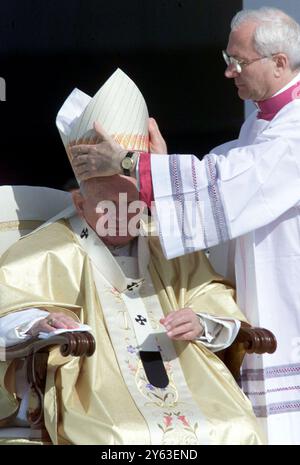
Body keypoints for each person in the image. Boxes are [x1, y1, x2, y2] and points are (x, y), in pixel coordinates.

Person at [69, 7, 300, 445]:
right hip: (261, 282)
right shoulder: (259, 119)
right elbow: (222, 169)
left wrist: (130, 163)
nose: (230, 72)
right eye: (227, 59)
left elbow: (233, 180)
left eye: (239, 61)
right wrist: (155, 165)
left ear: (280, 63)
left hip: (287, 287)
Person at [0, 172, 264, 444]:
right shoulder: (47, 248)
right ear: (80, 203)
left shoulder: (164, 242)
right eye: (107, 207)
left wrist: (202, 320)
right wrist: (39, 322)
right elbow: (8, 306)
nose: (121, 218)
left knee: (240, 428)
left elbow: (209, 292)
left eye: (133, 206)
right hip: (93, 386)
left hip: (186, 373)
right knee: (122, 438)